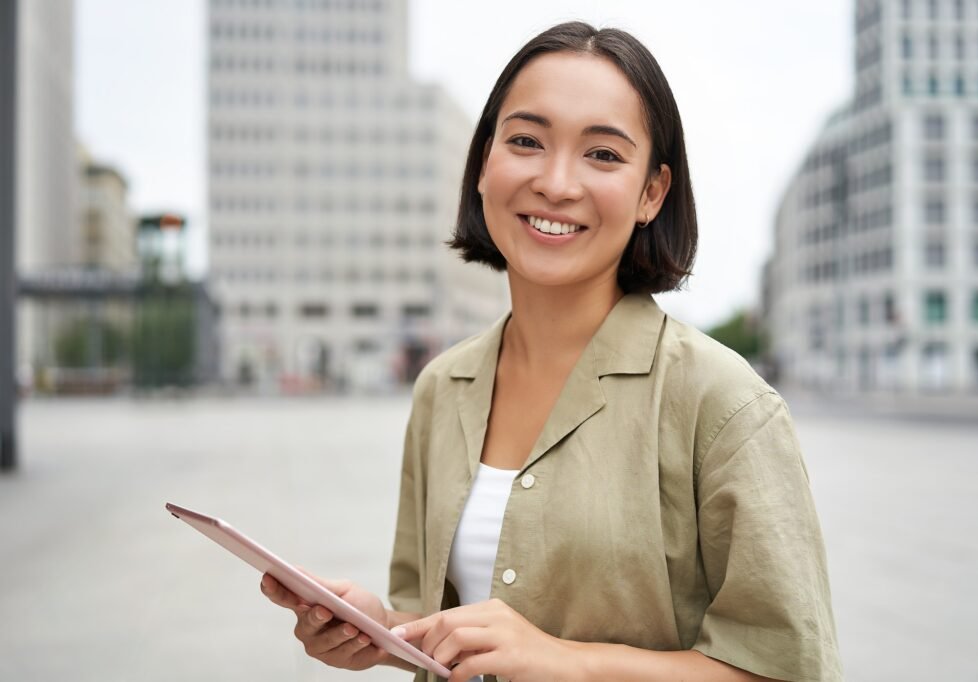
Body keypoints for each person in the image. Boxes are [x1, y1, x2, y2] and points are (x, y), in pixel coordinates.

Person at [261, 21, 843, 682]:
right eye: (526, 142)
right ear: (484, 163)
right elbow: (444, 628)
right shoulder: (442, 388)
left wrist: (571, 663)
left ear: (652, 192)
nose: (557, 183)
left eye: (602, 154)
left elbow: (790, 668)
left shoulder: (723, 403)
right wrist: (380, 630)